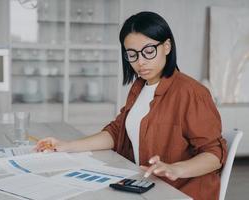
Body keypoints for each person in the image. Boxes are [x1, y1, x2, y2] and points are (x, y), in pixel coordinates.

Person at [35, 11, 227, 200]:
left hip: (181, 192)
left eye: (149, 51)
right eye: (132, 54)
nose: (140, 62)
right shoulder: (140, 86)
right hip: (144, 185)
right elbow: (116, 132)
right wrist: (67, 146)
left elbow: (214, 154)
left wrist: (175, 169)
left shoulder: (191, 92)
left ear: (167, 46)